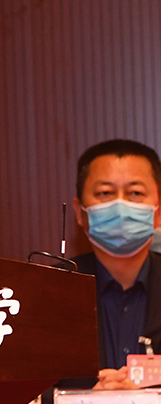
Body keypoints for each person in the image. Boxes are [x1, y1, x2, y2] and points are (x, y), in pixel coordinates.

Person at [69, 139, 161, 391]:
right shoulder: (49, 292)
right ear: (79, 212)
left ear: (157, 211)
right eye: (105, 193)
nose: (121, 206)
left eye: (135, 193)